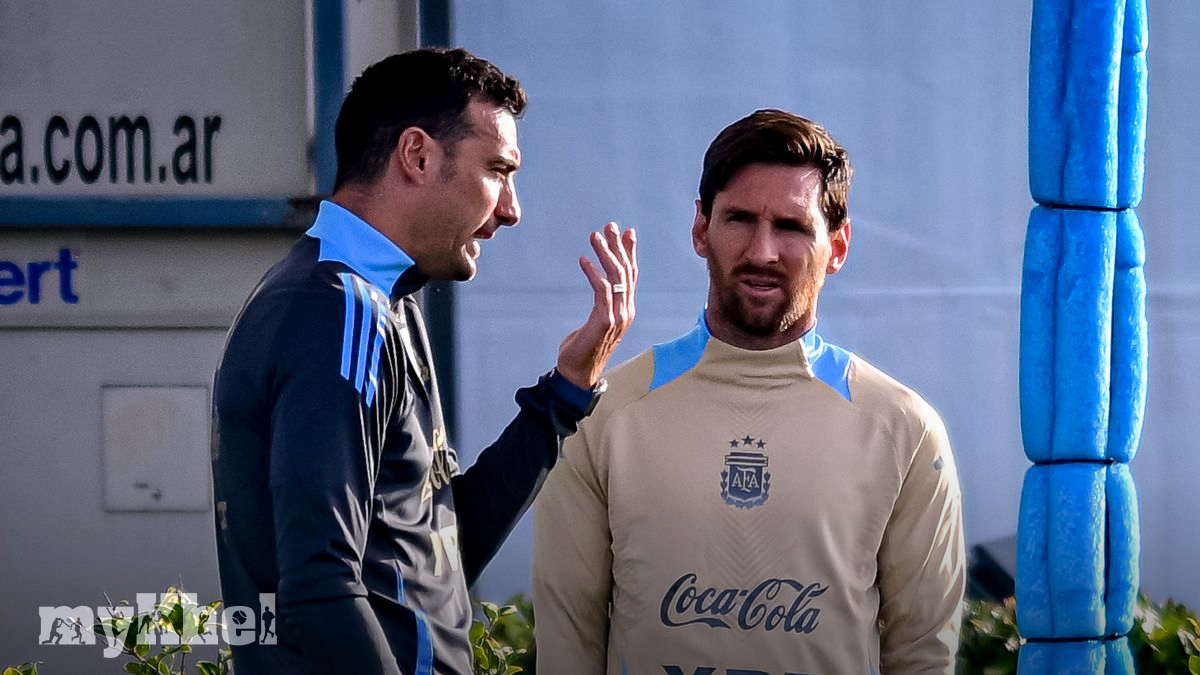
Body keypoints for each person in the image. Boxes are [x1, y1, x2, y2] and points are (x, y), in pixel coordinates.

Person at [211, 48, 638, 674]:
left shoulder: (379, 300)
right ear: (416, 155)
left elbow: (434, 557)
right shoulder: (335, 309)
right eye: (498, 170)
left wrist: (564, 395)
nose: (511, 209)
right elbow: (320, 591)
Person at [533, 109, 965, 674]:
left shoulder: (904, 428)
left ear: (837, 246)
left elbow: (923, 656)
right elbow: (566, 648)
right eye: (739, 219)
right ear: (700, 229)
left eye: (791, 226)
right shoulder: (603, 413)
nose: (762, 252)